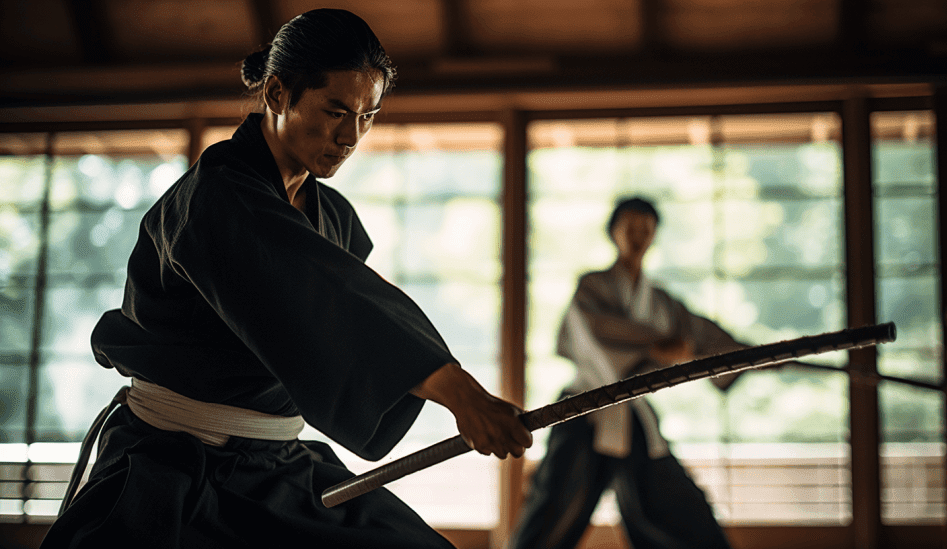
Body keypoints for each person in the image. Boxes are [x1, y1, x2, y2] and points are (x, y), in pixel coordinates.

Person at [41, 9, 531, 548]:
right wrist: (458, 393)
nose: (351, 135)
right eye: (336, 111)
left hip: (276, 465)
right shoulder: (218, 196)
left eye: (368, 116)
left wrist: (458, 392)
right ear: (277, 94)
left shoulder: (334, 217)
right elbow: (331, 303)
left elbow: (332, 327)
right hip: (172, 462)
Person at [508, 197, 748, 549]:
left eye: (645, 229)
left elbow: (699, 334)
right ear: (614, 233)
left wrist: (749, 354)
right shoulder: (592, 287)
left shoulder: (661, 302)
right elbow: (598, 332)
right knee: (553, 511)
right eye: (630, 227)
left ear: (654, 236)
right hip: (584, 409)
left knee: (679, 509)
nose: (638, 235)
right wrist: (656, 348)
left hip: (633, 415)